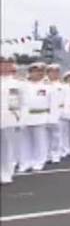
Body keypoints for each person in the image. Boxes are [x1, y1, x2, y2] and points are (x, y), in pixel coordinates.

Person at [1, 56, 21, 184]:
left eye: (6, 64)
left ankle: (6, 173)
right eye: (1, 64)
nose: (3, 66)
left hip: (7, 118)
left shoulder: (14, 83)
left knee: (7, 147)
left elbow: (15, 103)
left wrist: (18, 118)